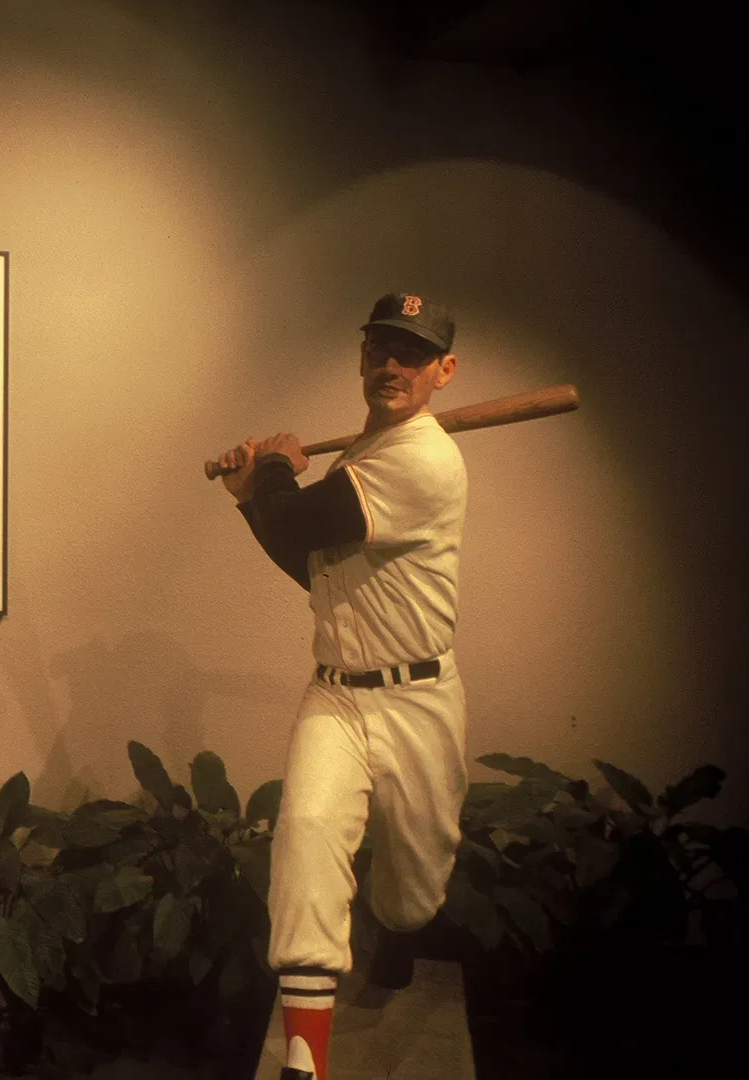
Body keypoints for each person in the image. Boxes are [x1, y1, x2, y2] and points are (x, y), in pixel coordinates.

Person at [214, 293, 467, 1080]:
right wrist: (254, 496)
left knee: (414, 893)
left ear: (443, 372)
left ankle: (396, 940)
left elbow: (300, 522)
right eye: (380, 350)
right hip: (338, 692)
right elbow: (310, 569)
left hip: (419, 696)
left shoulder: (424, 458)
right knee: (307, 831)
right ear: (362, 360)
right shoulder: (365, 454)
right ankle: (305, 1060)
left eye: (413, 354)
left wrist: (279, 467)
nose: (393, 365)